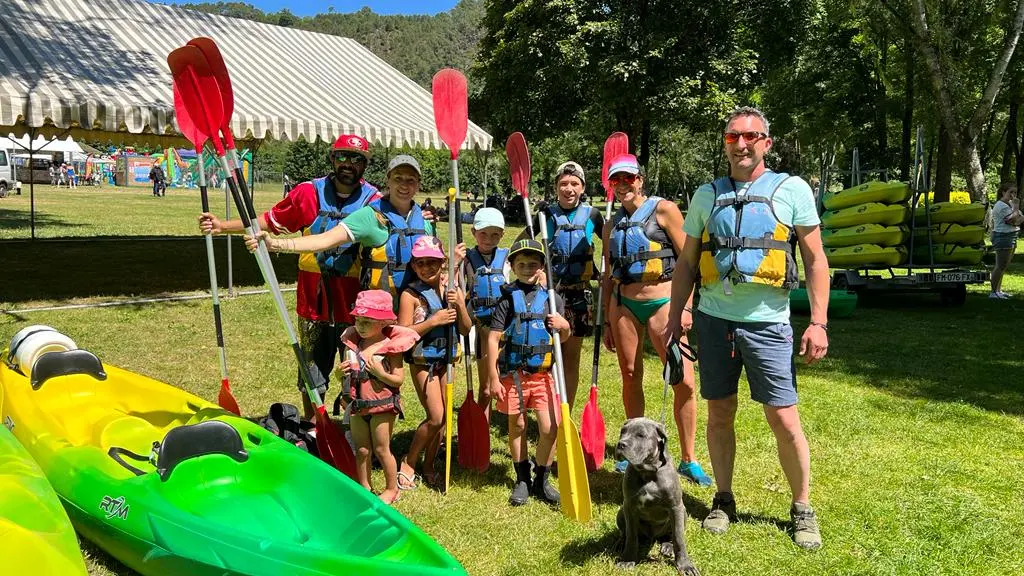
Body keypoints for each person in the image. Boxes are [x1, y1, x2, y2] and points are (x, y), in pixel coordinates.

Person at [666, 106, 829, 550]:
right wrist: (676, 314)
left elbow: (815, 260)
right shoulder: (705, 195)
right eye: (733, 137)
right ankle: (723, 498)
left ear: (766, 143)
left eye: (751, 136)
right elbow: (685, 263)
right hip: (714, 321)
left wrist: (818, 322)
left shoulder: (792, 189)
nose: (742, 144)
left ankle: (802, 508)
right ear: (725, 143)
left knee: (783, 418)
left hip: (769, 325)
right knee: (719, 413)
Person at [202, 134, 381, 420]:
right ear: (333, 159)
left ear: (365, 165)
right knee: (311, 370)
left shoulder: (374, 201)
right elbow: (270, 220)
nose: (349, 164)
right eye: (343, 157)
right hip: (313, 300)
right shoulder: (309, 193)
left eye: (357, 159)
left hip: (354, 304)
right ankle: (314, 426)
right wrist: (223, 226)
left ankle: (354, 427)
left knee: (356, 369)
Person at [600, 153, 710, 486]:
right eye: (615, 181)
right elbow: (608, 275)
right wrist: (606, 319)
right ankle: (635, 451)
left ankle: (689, 459)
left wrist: (686, 307)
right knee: (630, 374)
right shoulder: (611, 225)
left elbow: (690, 259)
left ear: (640, 179)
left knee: (684, 381)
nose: (622, 186)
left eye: (628, 179)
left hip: (664, 301)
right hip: (624, 306)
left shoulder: (664, 210)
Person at [486, 239, 568, 506]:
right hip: (513, 374)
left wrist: (563, 325)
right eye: (520, 264)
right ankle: (522, 478)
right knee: (518, 424)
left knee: (549, 428)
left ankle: (541, 478)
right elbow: (493, 338)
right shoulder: (507, 299)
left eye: (533, 264)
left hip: (542, 376)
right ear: (512, 266)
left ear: (542, 266)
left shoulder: (553, 300)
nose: (526, 268)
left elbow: (562, 338)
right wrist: (493, 377)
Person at [518, 161, 602, 407]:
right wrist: (538, 271)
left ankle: (566, 411)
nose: (569, 189)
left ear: (583, 187)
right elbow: (522, 245)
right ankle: (547, 407)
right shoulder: (545, 215)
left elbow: (611, 243)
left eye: (574, 183)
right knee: (548, 355)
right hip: (550, 294)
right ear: (556, 187)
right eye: (563, 184)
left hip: (580, 294)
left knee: (571, 357)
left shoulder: (593, 215)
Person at [394, 236, 471, 489]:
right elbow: (402, 334)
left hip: (446, 359)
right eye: (421, 263)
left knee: (445, 418)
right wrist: (433, 321)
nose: (427, 268)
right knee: (436, 417)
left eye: (433, 262)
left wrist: (460, 304)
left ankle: (429, 465)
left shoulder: (451, 289)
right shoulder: (410, 295)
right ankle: (409, 461)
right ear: (413, 266)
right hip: (423, 361)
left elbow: (465, 327)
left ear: (443, 263)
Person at [335, 290, 419, 505]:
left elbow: (398, 380)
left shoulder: (390, 348)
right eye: (358, 320)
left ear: (383, 322)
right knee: (362, 449)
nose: (360, 326)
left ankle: (392, 489)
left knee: (382, 449)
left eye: (367, 321)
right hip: (358, 406)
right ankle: (364, 487)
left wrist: (381, 373)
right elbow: (347, 379)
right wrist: (338, 374)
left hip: (382, 407)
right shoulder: (354, 345)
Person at [360, 155, 439, 296]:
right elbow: (331, 237)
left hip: (416, 301)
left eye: (411, 180)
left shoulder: (425, 221)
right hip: (379, 302)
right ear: (387, 181)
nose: (404, 184)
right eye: (398, 178)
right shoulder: (370, 215)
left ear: (418, 185)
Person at [463, 207, 510, 420]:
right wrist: (454, 263)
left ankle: (512, 421)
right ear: (474, 233)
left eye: (495, 234)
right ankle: (482, 426)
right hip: (482, 328)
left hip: (506, 329)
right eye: (483, 233)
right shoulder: (466, 260)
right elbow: (455, 288)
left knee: (504, 381)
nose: (489, 239)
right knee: (485, 388)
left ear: (502, 234)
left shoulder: (508, 258)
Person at [990, 182, 1023, 299]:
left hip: (1011, 236)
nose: (1013, 195)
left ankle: (998, 290)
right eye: (1011, 192)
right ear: (1003, 192)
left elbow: (1020, 219)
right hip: (1003, 236)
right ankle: (993, 292)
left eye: (1015, 192)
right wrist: (1016, 208)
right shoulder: (1001, 206)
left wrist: (1016, 217)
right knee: (1000, 265)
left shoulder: (1009, 205)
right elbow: (1013, 220)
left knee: (1004, 265)